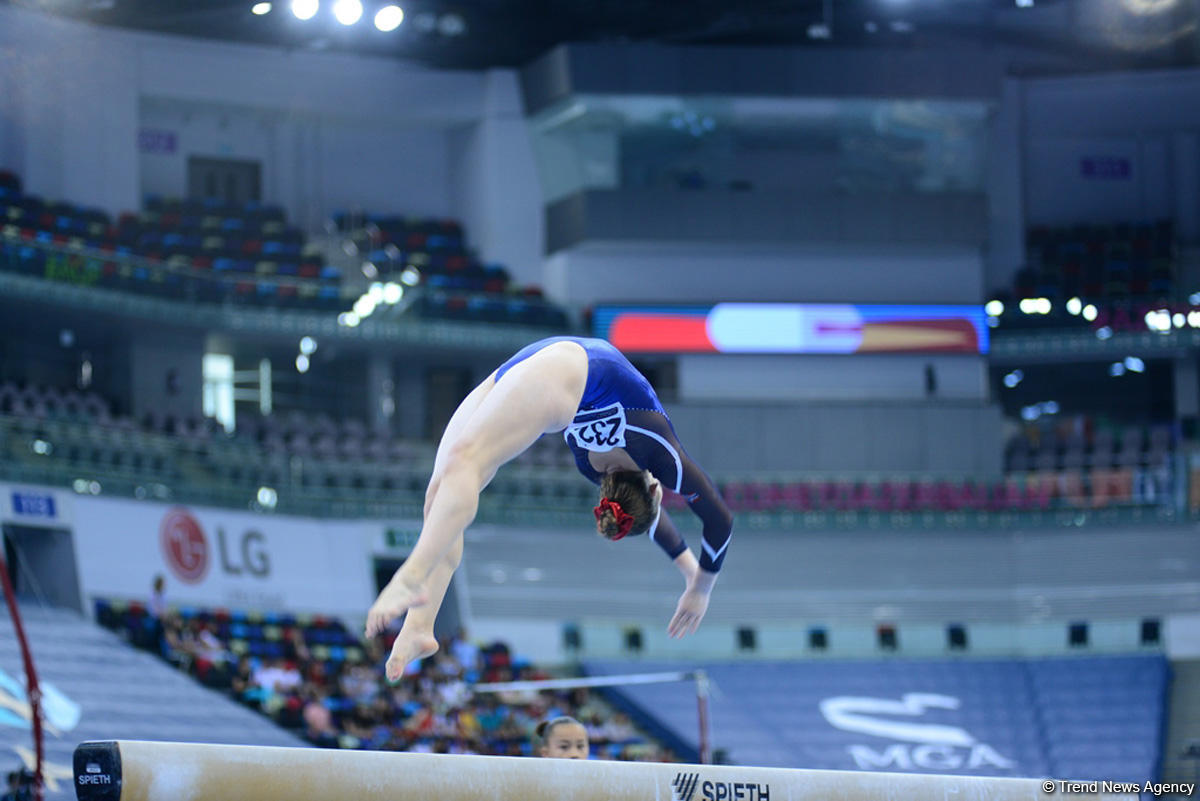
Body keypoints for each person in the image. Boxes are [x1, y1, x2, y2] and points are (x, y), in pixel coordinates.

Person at [366, 336, 734, 680]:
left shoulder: (638, 466)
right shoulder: (636, 458)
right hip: (558, 371)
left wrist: (695, 577)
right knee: (465, 466)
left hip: (545, 367)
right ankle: (413, 577)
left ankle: (418, 627)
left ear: (654, 489)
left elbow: (691, 519)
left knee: (445, 488)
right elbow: (691, 519)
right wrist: (698, 587)